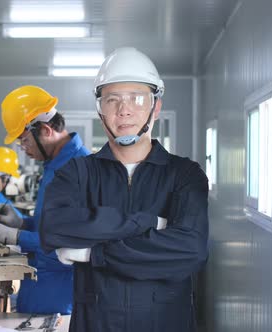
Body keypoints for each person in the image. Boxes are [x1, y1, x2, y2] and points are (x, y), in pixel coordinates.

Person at [39, 47, 209, 331]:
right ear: (99, 108)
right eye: (112, 99)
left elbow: (190, 250)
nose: (124, 109)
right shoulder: (78, 173)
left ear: (156, 106)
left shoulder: (185, 175)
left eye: (137, 98)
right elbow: (53, 227)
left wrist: (95, 254)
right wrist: (148, 222)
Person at [0, 85, 90, 315]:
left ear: (45, 130)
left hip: (60, 297)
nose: (23, 149)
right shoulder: (53, 166)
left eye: (24, 140)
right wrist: (23, 222)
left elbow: (72, 243)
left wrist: (15, 236)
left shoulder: (80, 170)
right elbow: (52, 224)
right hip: (38, 288)